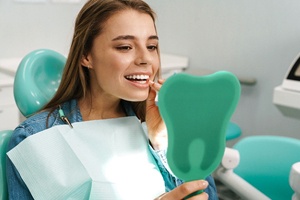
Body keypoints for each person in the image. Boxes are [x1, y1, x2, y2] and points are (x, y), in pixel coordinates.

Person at [6, 0, 218, 199]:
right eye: (125, 47)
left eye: (151, 46)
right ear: (86, 56)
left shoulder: (163, 127)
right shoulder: (36, 138)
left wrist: (163, 143)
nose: (145, 59)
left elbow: (206, 194)